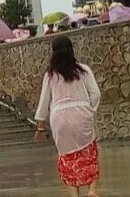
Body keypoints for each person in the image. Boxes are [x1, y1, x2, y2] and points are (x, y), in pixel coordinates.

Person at [34, 36, 101, 197]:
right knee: (89, 152)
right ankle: (91, 191)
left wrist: (40, 128)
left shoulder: (50, 75)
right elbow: (96, 94)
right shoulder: (83, 70)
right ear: (71, 50)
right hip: (81, 114)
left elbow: (44, 102)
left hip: (60, 119)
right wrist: (88, 110)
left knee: (67, 158)